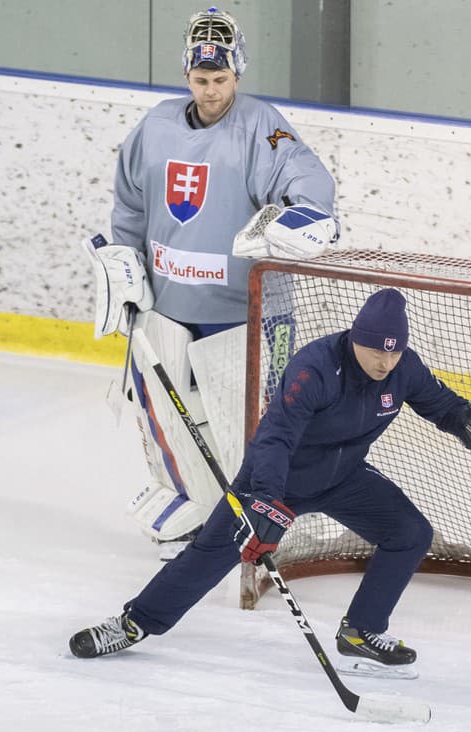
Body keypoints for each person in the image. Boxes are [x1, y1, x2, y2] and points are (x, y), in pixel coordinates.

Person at [69, 288, 471, 673]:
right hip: (277, 476)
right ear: (356, 338)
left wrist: (468, 422)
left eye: (394, 352)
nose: (385, 360)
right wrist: (265, 500)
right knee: (210, 554)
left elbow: (442, 405)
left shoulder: (404, 369)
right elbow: (275, 438)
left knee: (410, 534)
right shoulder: (315, 368)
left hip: (343, 477)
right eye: (377, 349)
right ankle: (134, 623)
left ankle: (362, 631)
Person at [85, 7, 338, 559]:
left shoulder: (260, 126)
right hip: (168, 307)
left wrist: (308, 211)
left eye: (220, 79)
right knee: (169, 422)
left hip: (243, 311)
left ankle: (267, 521)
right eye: (201, 80)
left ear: (238, 75)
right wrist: (126, 264)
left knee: (254, 430)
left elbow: (303, 173)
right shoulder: (155, 125)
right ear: (186, 76)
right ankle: (199, 515)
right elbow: (129, 203)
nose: (210, 90)